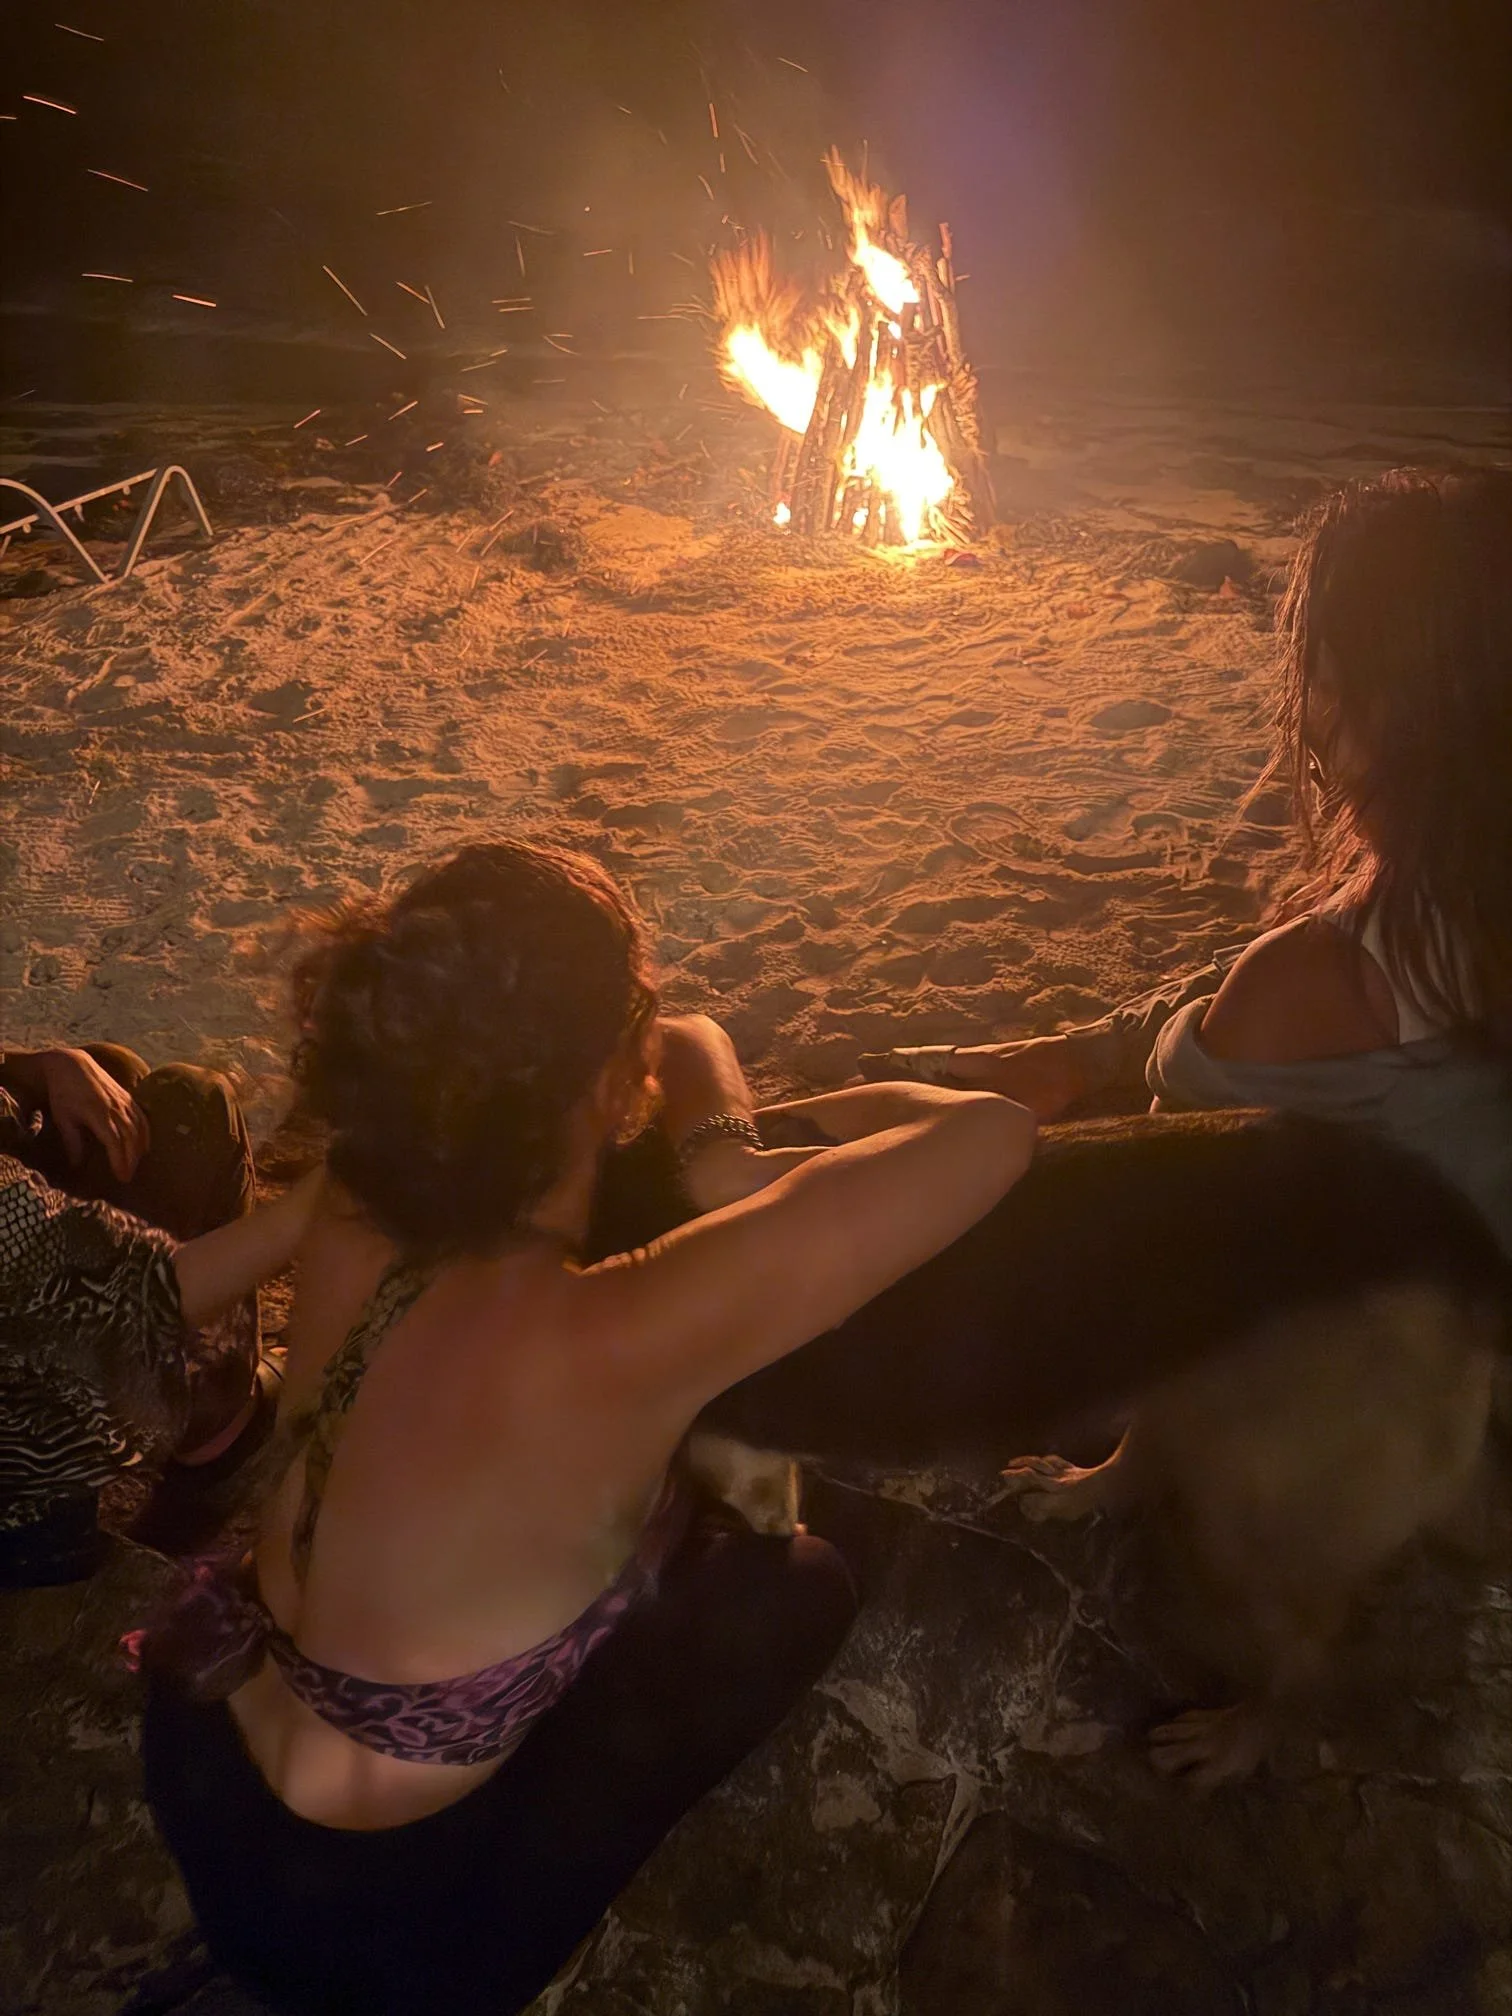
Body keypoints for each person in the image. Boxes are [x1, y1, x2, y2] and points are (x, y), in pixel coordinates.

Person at [138, 840, 1034, 2016]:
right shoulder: (626, 1330)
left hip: (202, 1754)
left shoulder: (356, 1197)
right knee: (797, 1584)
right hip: (375, 1936)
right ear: (615, 1084)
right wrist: (722, 1149)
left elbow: (183, 1290)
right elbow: (995, 1133)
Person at [872, 468, 1512, 1252]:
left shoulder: (1317, 985)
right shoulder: (1446, 909)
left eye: (1320, 678)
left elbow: (1157, 1212)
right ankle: (1063, 1058)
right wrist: (1092, 1050)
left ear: (1366, 703)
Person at [0, 1041, 315, 1584]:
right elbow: (129, 1289)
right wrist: (319, 1203)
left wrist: (43, 1065)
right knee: (195, 1105)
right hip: (18, 1519)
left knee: (109, 1079)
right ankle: (218, 1432)